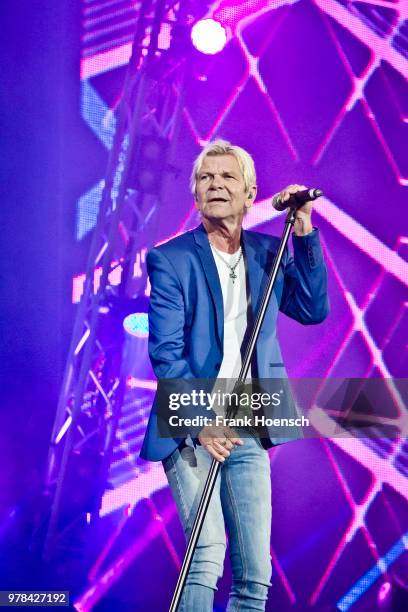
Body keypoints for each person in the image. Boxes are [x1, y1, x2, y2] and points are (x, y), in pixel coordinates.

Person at [140, 140, 329, 611]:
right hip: (191, 423)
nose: (215, 185)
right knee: (205, 555)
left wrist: (302, 229)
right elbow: (166, 352)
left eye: (227, 178)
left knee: (255, 574)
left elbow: (312, 308)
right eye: (206, 178)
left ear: (250, 195)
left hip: (248, 423)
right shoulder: (172, 258)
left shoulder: (271, 252)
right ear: (196, 195)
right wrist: (202, 421)